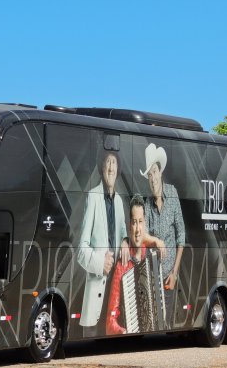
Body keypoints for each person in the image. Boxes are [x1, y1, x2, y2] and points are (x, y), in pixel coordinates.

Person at [77, 149, 127, 336]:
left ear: (118, 169)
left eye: (114, 163)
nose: (111, 167)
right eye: (108, 163)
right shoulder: (93, 196)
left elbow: (123, 232)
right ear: (102, 168)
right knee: (92, 337)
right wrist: (100, 262)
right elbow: (81, 249)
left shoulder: (120, 202)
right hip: (98, 286)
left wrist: (124, 240)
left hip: (116, 286)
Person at [140, 143, 185, 329]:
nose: (153, 179)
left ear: (161, 173)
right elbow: (143, 236)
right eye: (149, 175)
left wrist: (174, 273)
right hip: (151, 276)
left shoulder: (173, 193)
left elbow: (181, 235)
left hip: (168, 276)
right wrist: (155, 241)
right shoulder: (146, 204)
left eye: (155, 172)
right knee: (153, 323)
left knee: (167, 323)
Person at [106, 194, 148, 335]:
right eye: (134, 222)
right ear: (129, 225)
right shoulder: (121, 266)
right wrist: (124, 331)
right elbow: (110, 322)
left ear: (145, 223)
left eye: (140, 222)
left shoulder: (150, 258)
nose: (137, 229)